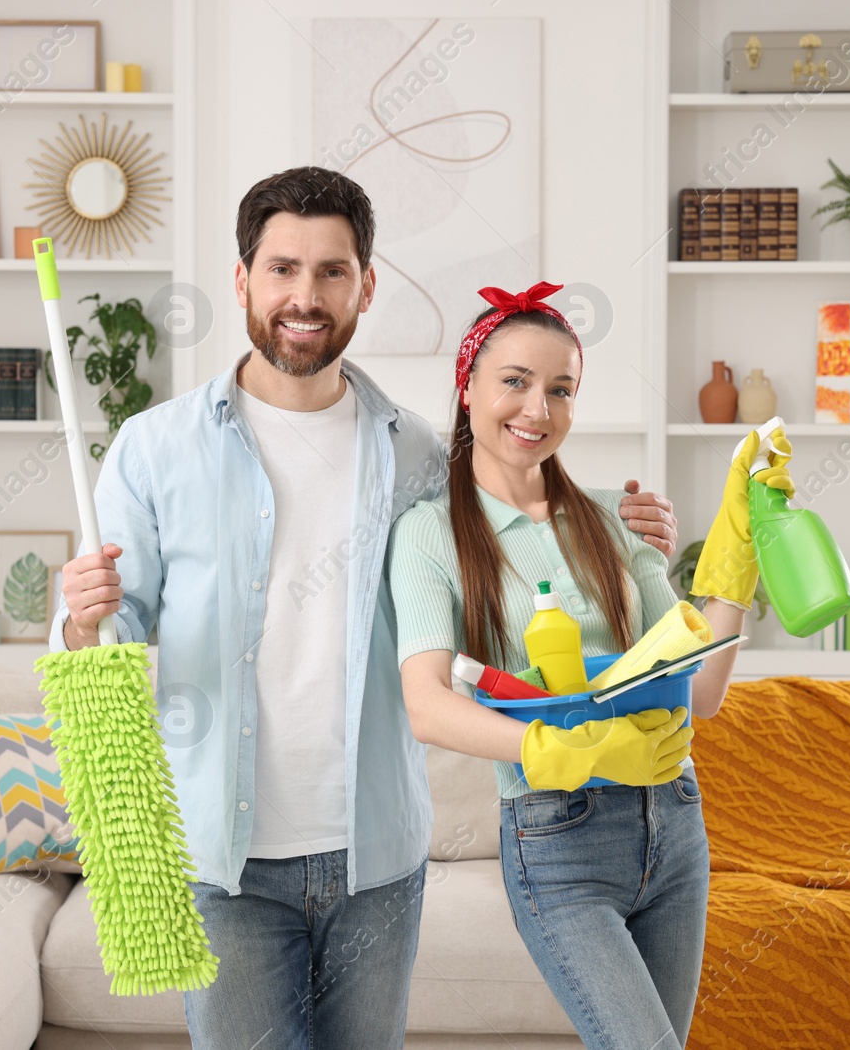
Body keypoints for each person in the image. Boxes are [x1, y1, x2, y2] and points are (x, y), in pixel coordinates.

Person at [50, 168, 686, 1050]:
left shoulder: (416, 453)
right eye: (281, 269)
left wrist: (628, 521)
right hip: (222, 868)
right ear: (242, 281)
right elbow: (101, 641)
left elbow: (515, 513)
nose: (304, 297)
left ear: (366, 285)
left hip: (376, 861)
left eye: (331, 272)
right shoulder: (155, 448)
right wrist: (83, 616)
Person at [388, 281, 792, 1049]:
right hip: (558, 837)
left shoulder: (614, 517)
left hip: (674, 822)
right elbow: (426, 703)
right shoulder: (429, 535)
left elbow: (700, 691)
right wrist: (556, 747)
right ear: (467, 387)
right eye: (515, 381)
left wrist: (738, 553)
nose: (538, 409)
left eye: (561, 389)